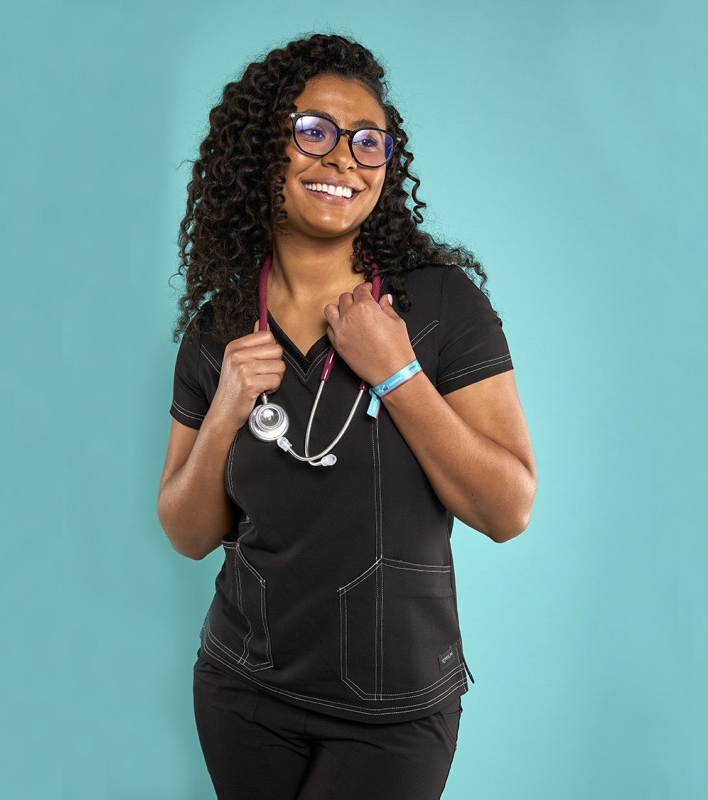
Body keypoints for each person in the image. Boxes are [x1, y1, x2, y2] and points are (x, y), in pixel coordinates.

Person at [157, 33, 536, 800]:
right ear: (263, 151)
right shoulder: (219, 329)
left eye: (369, 141)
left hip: (394, 711)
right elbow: (189, 534)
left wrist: (397, 371)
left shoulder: (440, 306)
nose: (344, 159)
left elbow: (508, 510)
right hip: (244, 690)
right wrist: (226, 409)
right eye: (314, 131)